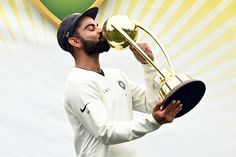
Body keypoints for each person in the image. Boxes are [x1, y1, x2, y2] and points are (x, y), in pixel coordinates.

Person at [57, 7, 182, 157]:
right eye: (91, 28)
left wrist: (148, 66)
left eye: (97, 25)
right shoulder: (77, 83)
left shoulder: (116, 75)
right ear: (75, 41)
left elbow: (151, 103)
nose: (100, 30)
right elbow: (105, 132)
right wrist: (153, 122)